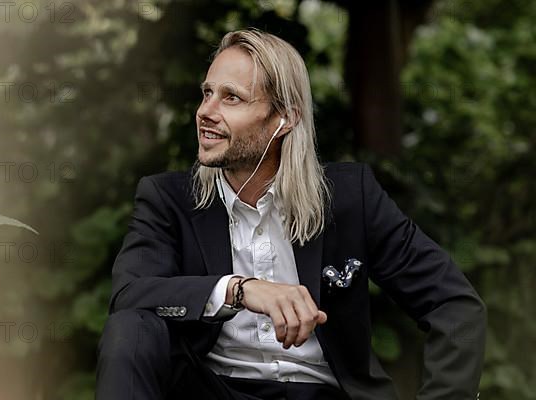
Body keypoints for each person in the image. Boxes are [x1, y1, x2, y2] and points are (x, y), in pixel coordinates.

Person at [96, 28, 486, 400]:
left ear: (285, 118)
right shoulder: (168, 199)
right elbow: (130, 296)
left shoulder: (350, 197)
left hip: (324, 392)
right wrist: (241, 289)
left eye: (231, 98)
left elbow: (452, 303)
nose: (205, 112)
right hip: (212, 389)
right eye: (207, 93)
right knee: (130, 324)